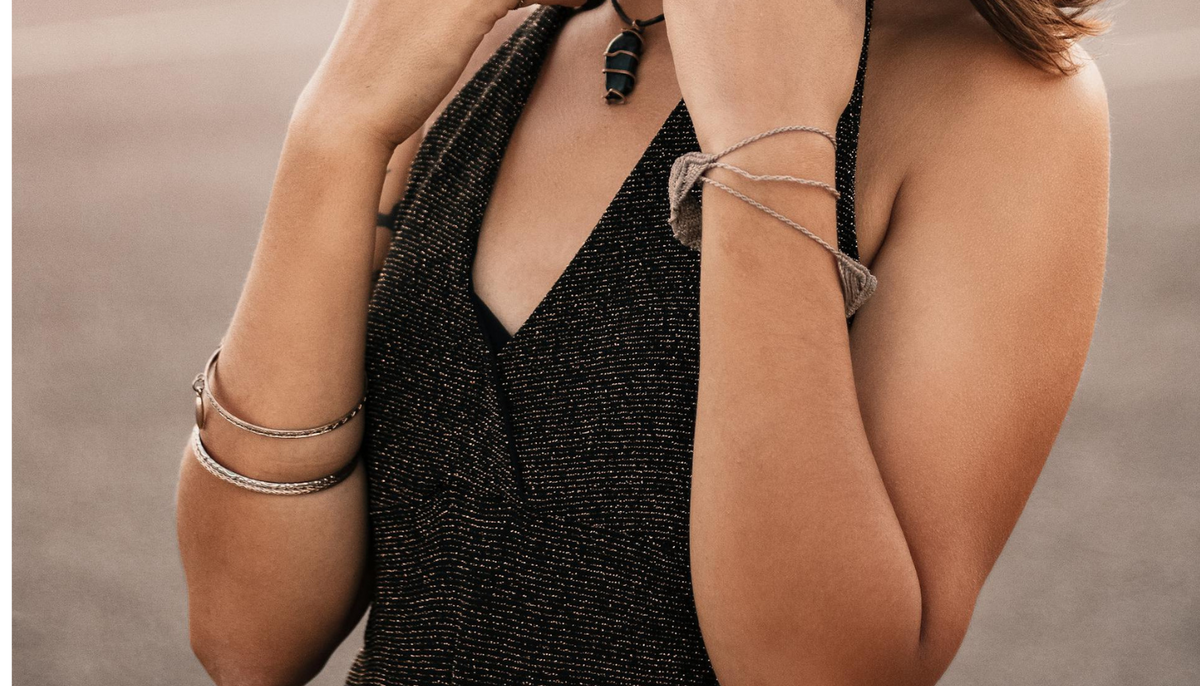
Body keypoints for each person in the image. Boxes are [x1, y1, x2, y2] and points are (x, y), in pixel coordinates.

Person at [175, 0, 1110, 683]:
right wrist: (336, 126)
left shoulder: (996, 97)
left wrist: (769, 143)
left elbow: (819, 674)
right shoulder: (478, 40)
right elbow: (245, 635)